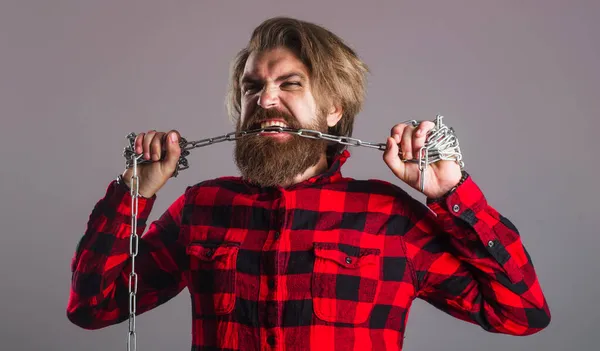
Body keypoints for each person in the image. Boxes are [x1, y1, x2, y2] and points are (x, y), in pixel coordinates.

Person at [67, 16, 550, 351]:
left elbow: (520, 313)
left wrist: (451, 194)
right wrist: (135, 193)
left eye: (290, 84)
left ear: (334, 108)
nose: (265, 100)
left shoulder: (387, 218)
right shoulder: (203, 208)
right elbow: (94, 306)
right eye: (252, 87)